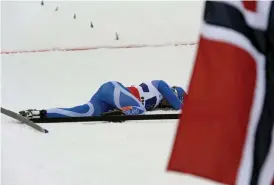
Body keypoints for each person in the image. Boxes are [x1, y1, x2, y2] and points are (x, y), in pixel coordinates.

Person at [19, 80, 186, 119]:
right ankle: (120, 113)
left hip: (108, 98)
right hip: (113, 90)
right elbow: (178, 105)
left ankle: (40, 113)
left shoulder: (157, 102)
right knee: (139, 110)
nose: (167, 103)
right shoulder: (160, 85)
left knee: (84, 112)